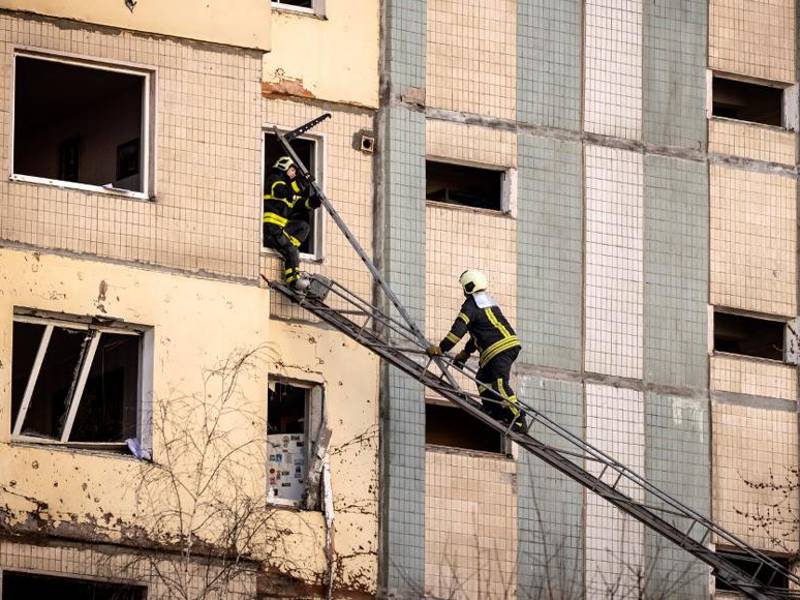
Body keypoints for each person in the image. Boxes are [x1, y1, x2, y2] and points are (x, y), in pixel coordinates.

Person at [427, 269, 527, 432]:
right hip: (500, 348)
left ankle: (518, 418)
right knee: (482, 378)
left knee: (499, 383)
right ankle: (495, 411)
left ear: (468, 286)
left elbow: (458, 330)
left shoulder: (471, 305)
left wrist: (441, 348)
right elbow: (478, 334)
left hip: (499, 349)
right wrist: (465, 354)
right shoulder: (488, 302)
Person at [262, 156, 321, 290]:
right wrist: (301, 183)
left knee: (304, 227)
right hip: (271, 229)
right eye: (293, 170)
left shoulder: (288, 189)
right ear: (284, 166)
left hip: (280, 229)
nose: (294, 174)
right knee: (292, 251)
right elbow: (281, 192)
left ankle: (287, 249)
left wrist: (313, 202)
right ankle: (293, 281)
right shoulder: (274, 180)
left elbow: (299, 203)